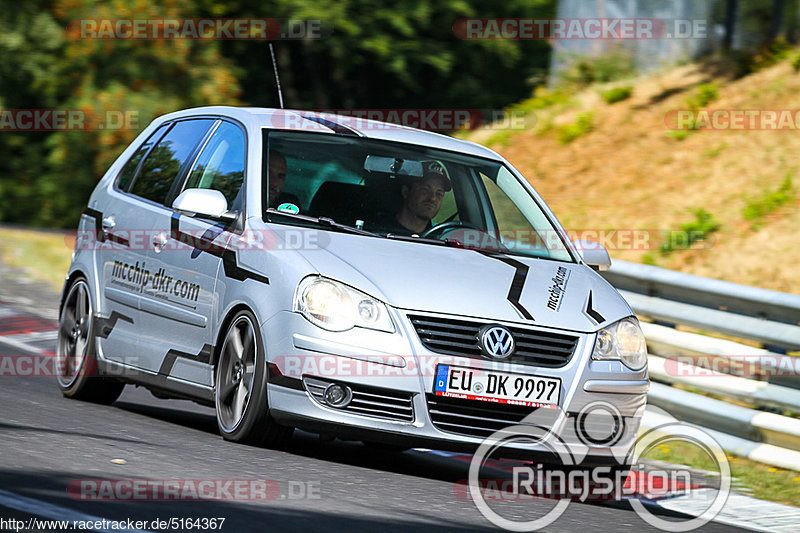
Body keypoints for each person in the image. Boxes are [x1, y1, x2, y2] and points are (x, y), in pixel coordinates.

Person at [380, 161, 451, 236]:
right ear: (406, 192)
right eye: (425, 189)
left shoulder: (443, 237)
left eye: (439, 193)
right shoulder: (376, 231)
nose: (433, 198)